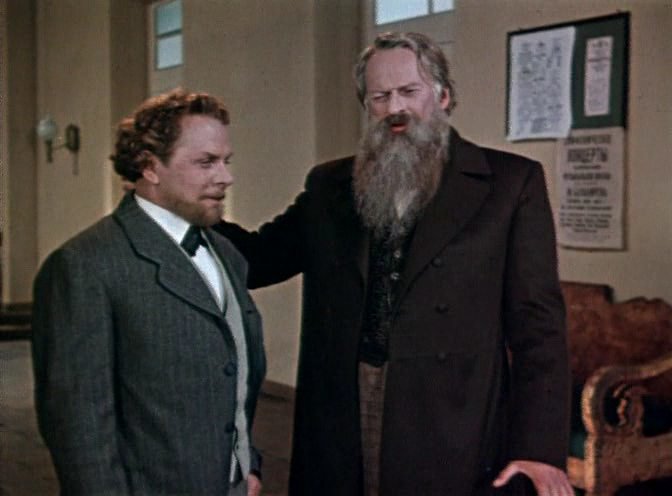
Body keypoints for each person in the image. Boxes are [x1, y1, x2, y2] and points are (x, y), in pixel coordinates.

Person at [216, 32, 572, 495]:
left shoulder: (510, 183)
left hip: (452, 417)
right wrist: (184, 206)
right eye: (380, 97)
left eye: (409, 91)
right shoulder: (330, 186)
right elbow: (258, 259)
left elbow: (538, 327)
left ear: (443, 96)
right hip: (341, 410)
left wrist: (539, 449)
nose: (394, 108)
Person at [31, 89, 265, 496]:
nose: (225, 177)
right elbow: (79, 426)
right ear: (150, 166)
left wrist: (248, 466)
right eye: (206, 162)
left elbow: (234, 375)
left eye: (226, 161)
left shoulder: (226, 253)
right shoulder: (85, 265)